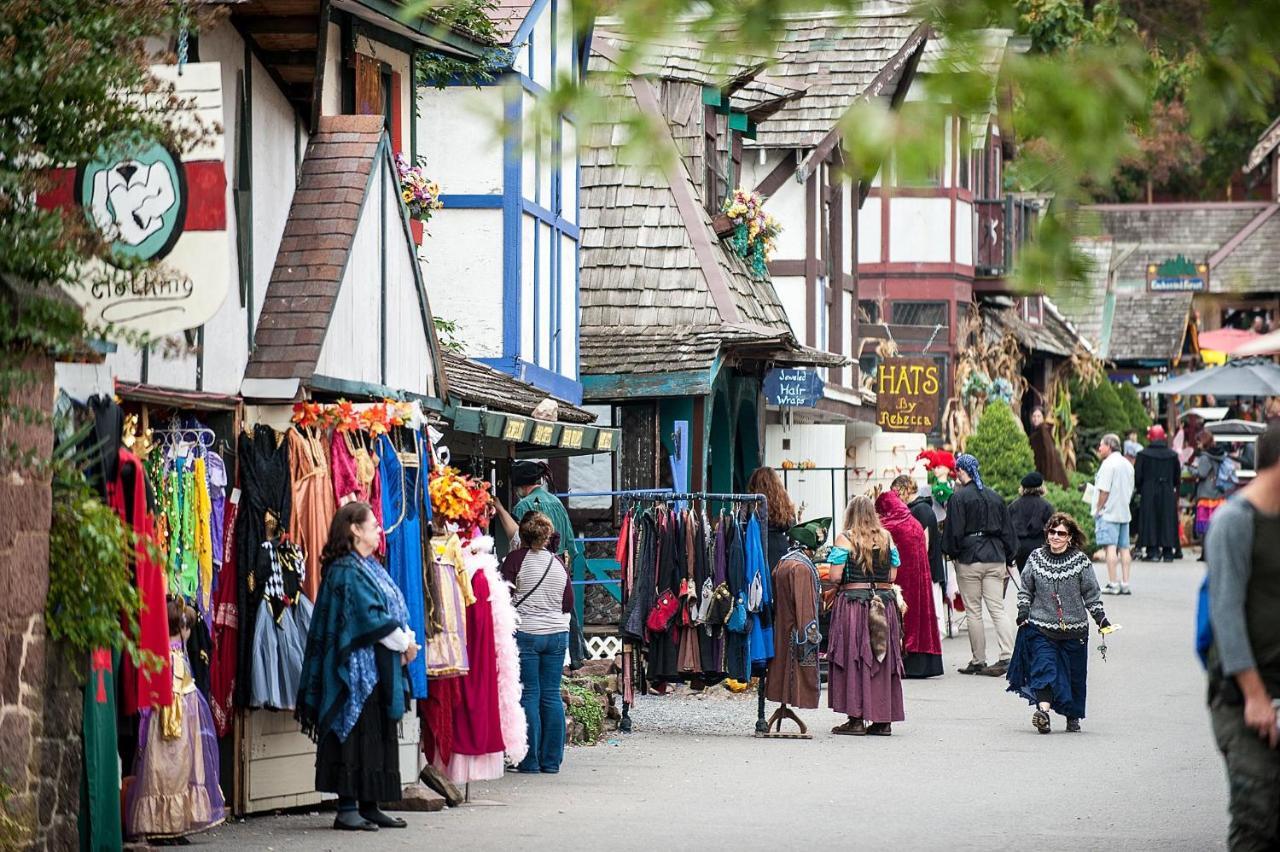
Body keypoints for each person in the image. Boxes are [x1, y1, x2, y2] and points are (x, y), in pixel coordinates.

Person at [296, 502, 418, 832]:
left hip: (377, 667)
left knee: (376, 733)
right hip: (353, 671)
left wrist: (406, 638)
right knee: (353, 732)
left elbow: (390, 609)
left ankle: (370, 803)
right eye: (373, 524)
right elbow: (370, 616)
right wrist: (403, 643)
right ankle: (347, 807)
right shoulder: (346, 570)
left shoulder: (369, 566)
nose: (379, 530)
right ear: (355, 529)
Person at [1204, 419, 1280, 850]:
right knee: (1256, 818)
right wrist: (1253, 694)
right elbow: (1226, 611)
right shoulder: (1235, 522)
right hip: (1244, 695)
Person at [124, 598, 226, 841]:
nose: (189, 633)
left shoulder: (175, 653)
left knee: (176, 770)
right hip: (167, 715)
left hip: (180, 713)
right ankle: (160, 826)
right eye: (187, 628)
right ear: (180, 629)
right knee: (162, 770)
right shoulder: (165, 655)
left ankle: (175, 823)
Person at [1007, 512, 1113, 734]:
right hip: (1041, 627)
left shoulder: (1081, 562)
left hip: (1075, 630)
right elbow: (1026, 588)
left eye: (1061, 533)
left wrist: (1101, 618)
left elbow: (1091, 595)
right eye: (1052, 532)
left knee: (1074, 678)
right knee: (1043, 669)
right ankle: (1042, 713)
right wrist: (1023, 610)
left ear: (1070, 537)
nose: (1055, 536)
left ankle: (1072, 717)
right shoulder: (1036, 558)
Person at [499, 511, 573, 774]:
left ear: (523, 534)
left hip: (527, 632)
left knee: (530, 694)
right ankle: (551, 761)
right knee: (551, 694)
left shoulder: (515, 560)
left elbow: (502, 595)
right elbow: (568, 603)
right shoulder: (558, 564)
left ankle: (529, 760)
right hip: (557, 634)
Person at [494, 459, 586, 667]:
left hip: (532, 574)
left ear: (520, 485)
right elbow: (571, 544)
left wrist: (499, 509)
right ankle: (575, 658)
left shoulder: (523, 506)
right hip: (559, 568)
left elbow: (517, 541)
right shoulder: (556, 502)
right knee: (565, 617)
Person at [827, 496, 904, 735]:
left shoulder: (845, 539)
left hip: (853, 606)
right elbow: (892, 576)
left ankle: (856, 718)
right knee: (881, 658)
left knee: (854, 656)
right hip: (883, 604)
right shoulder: (886, 538)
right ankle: (883, 720)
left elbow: (835, 577)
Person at [941, 453, 1017, 677]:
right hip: (995, 556)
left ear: (961, 471)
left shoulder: (958, 498)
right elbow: (1007, 530)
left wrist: (951, 553)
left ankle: (979, 659)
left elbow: (954, 531)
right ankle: (1007, 655)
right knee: (997, 608)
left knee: (974, 611)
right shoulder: (994, 496)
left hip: (969, 557)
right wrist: (1009, 555)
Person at [875, 488, 943, 678]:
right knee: (920, 618)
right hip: (920, 580)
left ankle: (901, 662)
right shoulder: (913, 522)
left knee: (902, 620)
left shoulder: (889, 526)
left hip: (900, 581)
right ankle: (923, 664)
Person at [764, 517, 829, 711]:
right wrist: (809, 640)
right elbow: (805, 610)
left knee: (782, 671)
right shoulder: (801, 568)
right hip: (796, 634)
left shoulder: (784, 563)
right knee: (795, 673)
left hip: (782, 629)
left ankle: (783, 703)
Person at [1094, 433, 1135, 595]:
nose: (1099, 448)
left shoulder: (1108, 465)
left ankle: (1113, 582)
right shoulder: (1127, 464)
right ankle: (1125, 582)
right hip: (1124, 511)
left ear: (1109, 446)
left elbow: (1104, 490)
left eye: (1101, 445)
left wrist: (1098, 508)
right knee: (1124, 548)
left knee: (1110, 547)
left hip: (1109, 512)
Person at [1134, 424, 1183, 562]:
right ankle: (1168, 552)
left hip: (1149, 491)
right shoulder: (1172, 455)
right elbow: (1177, 477)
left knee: (1150, 519)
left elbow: (1138, 477)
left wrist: (1141, 488)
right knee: (1167, 520)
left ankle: (1153, 551)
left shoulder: (1143, 455)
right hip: (1167, 490)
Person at [892, 475, 945, 586]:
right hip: (923, 574)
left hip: (927, 575)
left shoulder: (921, 509)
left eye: (896, 493)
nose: (895, 498)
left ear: (905, 489)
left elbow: (923, 546)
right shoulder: (917, 508)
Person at [747, 466, 799, 569]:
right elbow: (793, 530)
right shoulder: (784, 503)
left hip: (758, 548)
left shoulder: (753, 504)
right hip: (781, 549)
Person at [1008, 472, 1055, 573]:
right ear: (1041, 487)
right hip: (1041, 548)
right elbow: (1053, 528)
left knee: (1025, 580)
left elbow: (1007, 530)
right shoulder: (1046, 506)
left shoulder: (1013, 506)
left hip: (1020, 549)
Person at [1194, 431, 1230, 558]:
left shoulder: (1205, 457)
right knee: (1215, 525)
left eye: (1198, 442)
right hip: (1218, 494)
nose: (1197, 445)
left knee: (1204, 526)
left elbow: (1202, 474)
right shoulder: (1219, 455)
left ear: (1203, 442)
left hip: (1206, 495)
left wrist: (1194, 470)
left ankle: (1206, 554)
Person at [1027, 406, 1070, 488]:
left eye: (1038, 416)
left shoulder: (1042, 433)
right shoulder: (1042, 431)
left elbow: (1046, 455)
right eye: (1034, 416)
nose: (1036, 419)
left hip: (1047, 473)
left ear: (1043, 418)